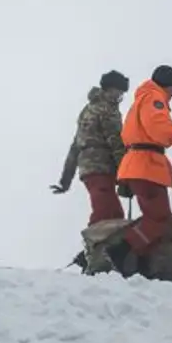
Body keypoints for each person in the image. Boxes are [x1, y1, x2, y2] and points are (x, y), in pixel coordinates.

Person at [105, 65, 172, 277]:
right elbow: (157, 123)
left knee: (153, 218)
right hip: (147, 166)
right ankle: (120, 250)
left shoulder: (140, 101)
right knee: (159, 218)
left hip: (137, 165)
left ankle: (142, 264)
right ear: (167, 85)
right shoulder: (153, 98)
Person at [51, 70, 131, 226]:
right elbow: (116, 143)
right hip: (101, 167)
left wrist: (65, 180)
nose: (120, 96)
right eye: (119, 92)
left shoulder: (88, 110)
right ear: (110, 89)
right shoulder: (108, 110)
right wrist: (126, 175)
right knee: (105, 214)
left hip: (89, 170)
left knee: (114, 214)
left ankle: (100, 247)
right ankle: (93, 247)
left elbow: (76, 146)